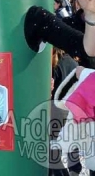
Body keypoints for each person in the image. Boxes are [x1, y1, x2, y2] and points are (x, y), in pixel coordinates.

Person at [49, 47, 81, 176]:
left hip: (58, 112)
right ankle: (75, 170)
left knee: (52, 155)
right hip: (74, 109)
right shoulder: (72, 62)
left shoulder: (54, 66)